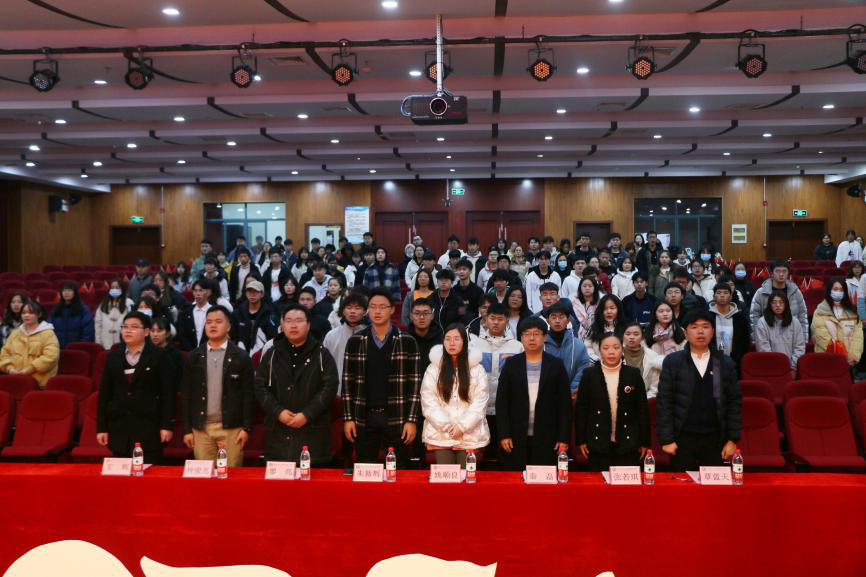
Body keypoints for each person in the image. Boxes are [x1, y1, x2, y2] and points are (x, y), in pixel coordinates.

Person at [342, 288, 421, 468]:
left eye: (382, 307)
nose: (377, 311)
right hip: (364, 417)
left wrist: (411, 420)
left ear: (392, 309)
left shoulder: (407, 341)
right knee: (365, 470)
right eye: (373, 306)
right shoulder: (355, 341)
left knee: (398, 469)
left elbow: (415, 385)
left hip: (397, 416)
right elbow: (347, 383)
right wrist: (348, 418)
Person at [656, 310, 742, 471]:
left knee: (714, 486)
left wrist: (732, 439)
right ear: (685, 333)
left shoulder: (723, 363)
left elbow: (733, 402)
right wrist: (666, 440)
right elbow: (664, 402)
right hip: (682, 439)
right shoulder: (674, 362)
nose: (700, 331)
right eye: (694, 327)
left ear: (713, 331)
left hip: (715, 439)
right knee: (682, 485)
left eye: (705, 326)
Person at [254, 303, 339, 465]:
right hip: (278, 434)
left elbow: (330, 387)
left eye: (299, 320)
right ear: (282, 324)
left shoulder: (322, 354)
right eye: (289, 321)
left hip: (313, 433)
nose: (293, 325)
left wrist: (307, 414)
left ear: (308, 324)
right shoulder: (271, 354)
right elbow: (260, 387)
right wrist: (278, 412)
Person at [181, 306, 254, 468]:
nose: (213, 325)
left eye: (218, 321)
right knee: (204, 477)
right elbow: (186, 395)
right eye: (209, 322)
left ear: (228, 326)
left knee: (232, 477)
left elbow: (248, 395)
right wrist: (187, 430)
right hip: (201, 429)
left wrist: (247, 428)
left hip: (232, 428)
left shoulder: (241, 357)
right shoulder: (194, 356)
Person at [96, 311, 174, 462]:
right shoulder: (113, 356)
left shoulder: (160, 356)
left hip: (149, 428)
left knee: (149, 474)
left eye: (134, 327)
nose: (128, 330)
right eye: (125, 327)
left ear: (146, 332)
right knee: (120, 474)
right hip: (120, 428)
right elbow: (105, 394)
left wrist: (167, 425)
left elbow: (168, 394)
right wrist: (102, 428)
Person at [495, 316, 571, 470]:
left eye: (536, 334)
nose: (531, 338)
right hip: (515, 436)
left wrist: (563, 437)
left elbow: (565, 405)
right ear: (521, 338)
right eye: (527, 334)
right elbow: (502, 403)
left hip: (548, 436)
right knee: (515, 479)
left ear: (545, 337)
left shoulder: (556, 365)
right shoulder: (511, 364)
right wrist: (504, 434)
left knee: (542, 479)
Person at [575, 332, 650, 471]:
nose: (611, 352)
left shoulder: (633, 374)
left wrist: (645, 441)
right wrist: (581, 440)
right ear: (599, 351)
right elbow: (582, 410)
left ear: (622, 349)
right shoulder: (589, 375)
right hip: (597, 440)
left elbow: (642, 410)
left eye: (616, 347)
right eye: (606, 348)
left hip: (628, 441)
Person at [420, 324, 490, 467]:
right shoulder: (433, 368)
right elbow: (428, 401)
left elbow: (480, 402)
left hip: (470, 434)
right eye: (448, 339)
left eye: (456, 339)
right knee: (446, 477)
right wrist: (447, 426)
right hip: (442, 434)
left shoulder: (477, 369)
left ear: (465, 342)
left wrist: (462, 427)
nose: (451, 343)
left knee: (466, 477)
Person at [469, 302, 523, 446]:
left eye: (500, 319)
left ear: (507, 321)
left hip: (507, 410)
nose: (496, 322)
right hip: (480, 408)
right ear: (486, 319)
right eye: (492, 318)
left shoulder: (517, 347)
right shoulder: (474, 345)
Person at [0, 301, 59, 388]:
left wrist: (28, 370)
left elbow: (50, 357)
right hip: (15, 380)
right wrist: (10, 369)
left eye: (31, 313)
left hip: (39, 384)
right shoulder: (15, 333)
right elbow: (4, 353)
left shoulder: (48, 333)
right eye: (23, 313)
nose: (26, 315)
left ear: (39, 315)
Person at [749, 260, 809, 338]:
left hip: (791, 336)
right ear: (772, 273)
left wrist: (804, 338)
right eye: (777, 271)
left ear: (788, 273)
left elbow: (803, 315)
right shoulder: (761, 292)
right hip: (767, 336)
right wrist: (756, 338)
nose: (781, 274)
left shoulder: (795, 292)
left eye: (784, 271)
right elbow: (754, 316)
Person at [811, 278, 863, 367]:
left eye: (841, 290)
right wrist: (839, 356)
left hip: (848, 362)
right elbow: (820, 335)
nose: (838, 292)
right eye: (835, 289)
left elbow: (858, 337)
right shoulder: (820, 311)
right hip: (826, 359)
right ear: (829, 291)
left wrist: (853, 356)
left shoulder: (852, 313)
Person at [544, 301, 591, 398]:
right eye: (553, 317)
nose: (557, 321)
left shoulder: (578, 345)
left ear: (568, 320)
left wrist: (571, 390)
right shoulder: (541, 345)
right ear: (548, 320)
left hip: (571, 396)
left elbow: (583, 368)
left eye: (561, 317)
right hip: (545, 396)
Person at [323, 292, 369, 385]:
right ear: (343, 311)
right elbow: (324, 363)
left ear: (365, 312)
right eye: (349, 308)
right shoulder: (331, 335)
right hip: (337, 385)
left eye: (357, 308)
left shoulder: (371, 335)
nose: (352, 311)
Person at [755, 292, 806, 375]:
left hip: (791, 368)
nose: (778, 305)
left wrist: (793, 366)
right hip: (770, 368)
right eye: (774, 302)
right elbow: (763, 348)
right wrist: (775, 366)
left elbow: (799, 347)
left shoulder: (795, 322)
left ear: (786, 304)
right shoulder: (762, 322)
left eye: (781, 302)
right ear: (769, 305)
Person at [707, 283, 751, 366]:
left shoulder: (740, 318)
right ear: (714, 296)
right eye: (719, 293)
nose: (722, 295)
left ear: (731, 297)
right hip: (711, 361)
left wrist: (736, 360)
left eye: (726, 293)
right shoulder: (707, 317)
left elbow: (745, 342)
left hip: (734, 362)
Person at [231, 280, 277, 354]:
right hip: (240, 353)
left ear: (262, 294)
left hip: (262, 354)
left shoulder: (270, 314)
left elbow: (273, 337)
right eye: (249, 291)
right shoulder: (237, 313)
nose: (252, 294)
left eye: (255, 291)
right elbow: (232, 335)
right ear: (246, 293)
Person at [622, 322, 663, 398]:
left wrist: (643, 401)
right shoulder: (617, 354)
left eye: (636, 334)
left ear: (642, 337)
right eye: (628, 334)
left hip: (645, 398)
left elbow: (655, 387)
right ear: (623, 336)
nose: (631, 337)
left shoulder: (652, 356)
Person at [49, 282, 94, 348]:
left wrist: (82, 346)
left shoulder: (83, 309)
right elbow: (50, 328)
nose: (66, 293)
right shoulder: (56, 309)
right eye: (64, 291)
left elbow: (88, 331)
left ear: (75, 293)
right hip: (58, 347)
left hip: (77, 348)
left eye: (69, 291)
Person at [407, 298, 444, 377]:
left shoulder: (441, 339)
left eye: (426, 313)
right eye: (417, 313)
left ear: (432, 316)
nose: (421, 317)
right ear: (411, 316)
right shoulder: (405, 339)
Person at [584, 294, 627, 362]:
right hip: (598, 365)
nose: (609, 311)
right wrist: (597, 360)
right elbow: (586, 347)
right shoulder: (594, 328)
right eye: (605, 308)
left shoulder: (626, 328)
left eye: (612, 308)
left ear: (618, 309)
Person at [95, 278, 134, 350]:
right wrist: (98, 342)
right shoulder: (103, 304)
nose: (114, 290)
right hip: (105, 341)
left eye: (117, 288)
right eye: (112, 288)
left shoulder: (129, 303)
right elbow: (98, 324)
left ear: (122, 289)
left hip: (123, 342)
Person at [149, 317, 184, 390]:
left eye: (159, 331)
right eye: (152, 331)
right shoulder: (147, 352)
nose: (155, 334)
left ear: (167, 334)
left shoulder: (176, 354)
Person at [452, 259, 484, 324]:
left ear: (470, 271)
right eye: (459, 269)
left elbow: (481, 309)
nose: (461, 271)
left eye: (464, 269)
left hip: (473, 323)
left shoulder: (478, 291)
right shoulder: (453, 290)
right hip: (456, 323)